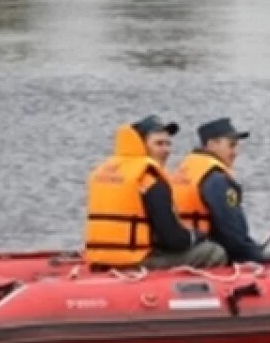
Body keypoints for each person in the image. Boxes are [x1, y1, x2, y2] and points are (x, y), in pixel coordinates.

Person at [83, 115, 228, 270]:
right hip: (136, 262)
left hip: (101, 259)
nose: (166, 150)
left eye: (168, 144)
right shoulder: (149, 180)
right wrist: (197, 236)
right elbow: (173, 240)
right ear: (141, 145)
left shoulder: (103, 171)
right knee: (213, 252)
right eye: (159, 144)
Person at [172, 117, 270, 265]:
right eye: (231, 145)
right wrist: (257, 256)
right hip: (205, 249)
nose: (235, 152)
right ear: (212, 145)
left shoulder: (184, 169)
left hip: (183, 246)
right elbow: (232, 230)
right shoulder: (216, 179)